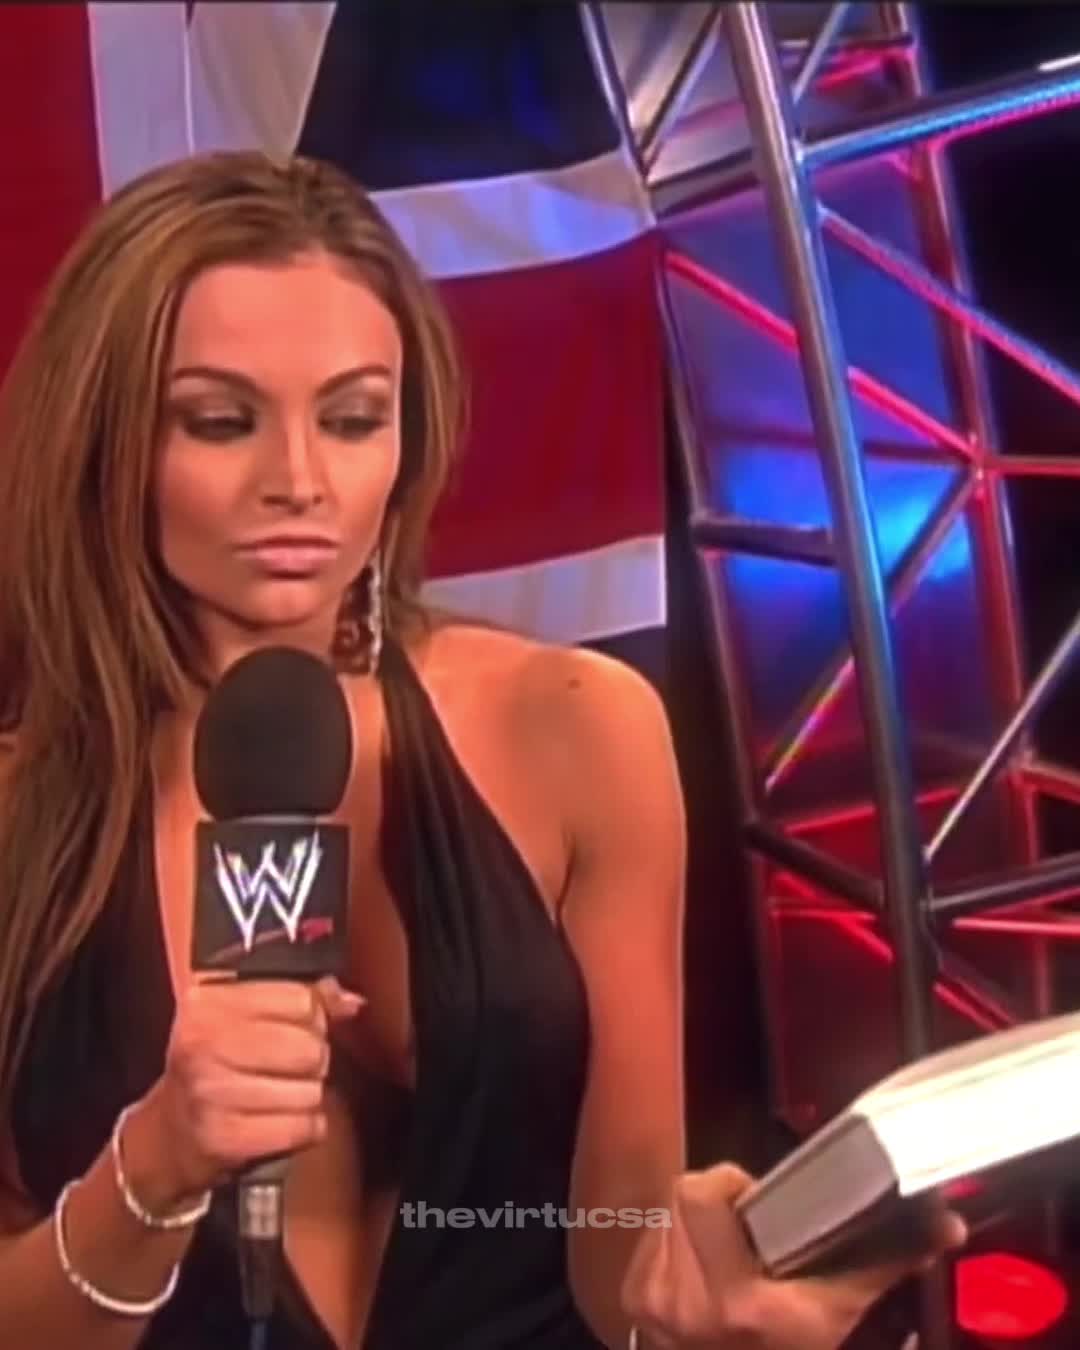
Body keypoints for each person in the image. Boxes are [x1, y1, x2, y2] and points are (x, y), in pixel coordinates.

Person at [0, 150, 963, 1349]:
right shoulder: (21, 821)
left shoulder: (579, 727)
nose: (298, 481)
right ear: (106, 441)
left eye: (352, 418)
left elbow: (621, 1259)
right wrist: (154, 1165)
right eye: (220, 421)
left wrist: (702, 1298)